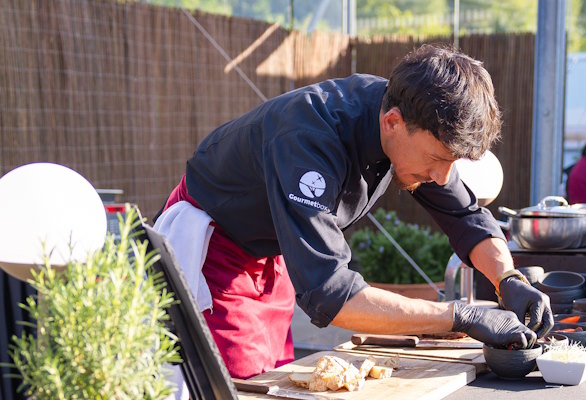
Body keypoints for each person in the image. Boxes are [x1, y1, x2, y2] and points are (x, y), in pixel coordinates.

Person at [157, 45, 553, 379]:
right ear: (393, 122)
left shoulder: (415, 118)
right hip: (215, 253)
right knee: (240, 389)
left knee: (275, 376)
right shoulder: (308, 142)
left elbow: (465, 217)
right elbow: (331, 293)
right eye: (436, 160)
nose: (441, 176)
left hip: (272, 249)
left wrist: (508, 278)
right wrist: (458, 316)